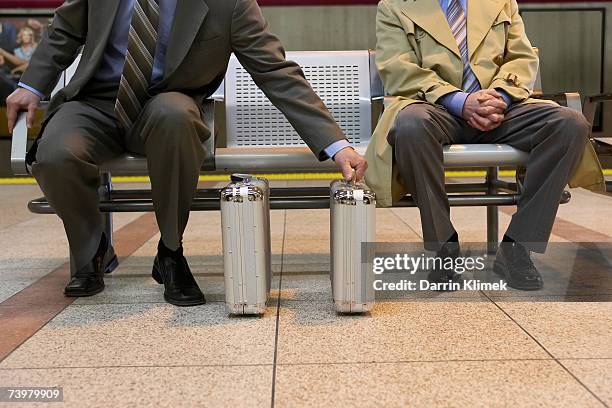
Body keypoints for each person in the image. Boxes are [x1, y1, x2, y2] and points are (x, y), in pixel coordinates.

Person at [5, 0, 367, 306]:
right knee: (55, 154)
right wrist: (31, 86)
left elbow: (275, 71)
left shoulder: (230, 4)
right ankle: (93, 250)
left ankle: (170, 252)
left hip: (165, 105)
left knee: (176, 116)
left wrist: (336, 145)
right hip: (95, 103)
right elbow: (64, 30)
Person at [365, 0, 604, 290]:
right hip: (436, 107)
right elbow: (398, 69)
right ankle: (445, 248)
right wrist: (460, 101)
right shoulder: (395, 6)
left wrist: (500, 97)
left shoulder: (501, 1)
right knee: (410, 125)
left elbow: (522, 58)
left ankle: (517, 247)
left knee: (570, 124)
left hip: (499, 108)